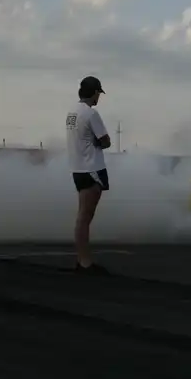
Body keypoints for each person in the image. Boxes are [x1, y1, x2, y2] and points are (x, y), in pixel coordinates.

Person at [66, 76, 112, 275]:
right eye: (98, 93)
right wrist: (97, 142)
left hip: (77, 168)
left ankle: (82, 260)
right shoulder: (91, 114)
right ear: (94, 93)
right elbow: (106, 141)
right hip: (91, 169)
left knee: (83, 216)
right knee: (85, 217)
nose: (98, 98)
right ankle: (84, 263)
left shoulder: (72, 112)